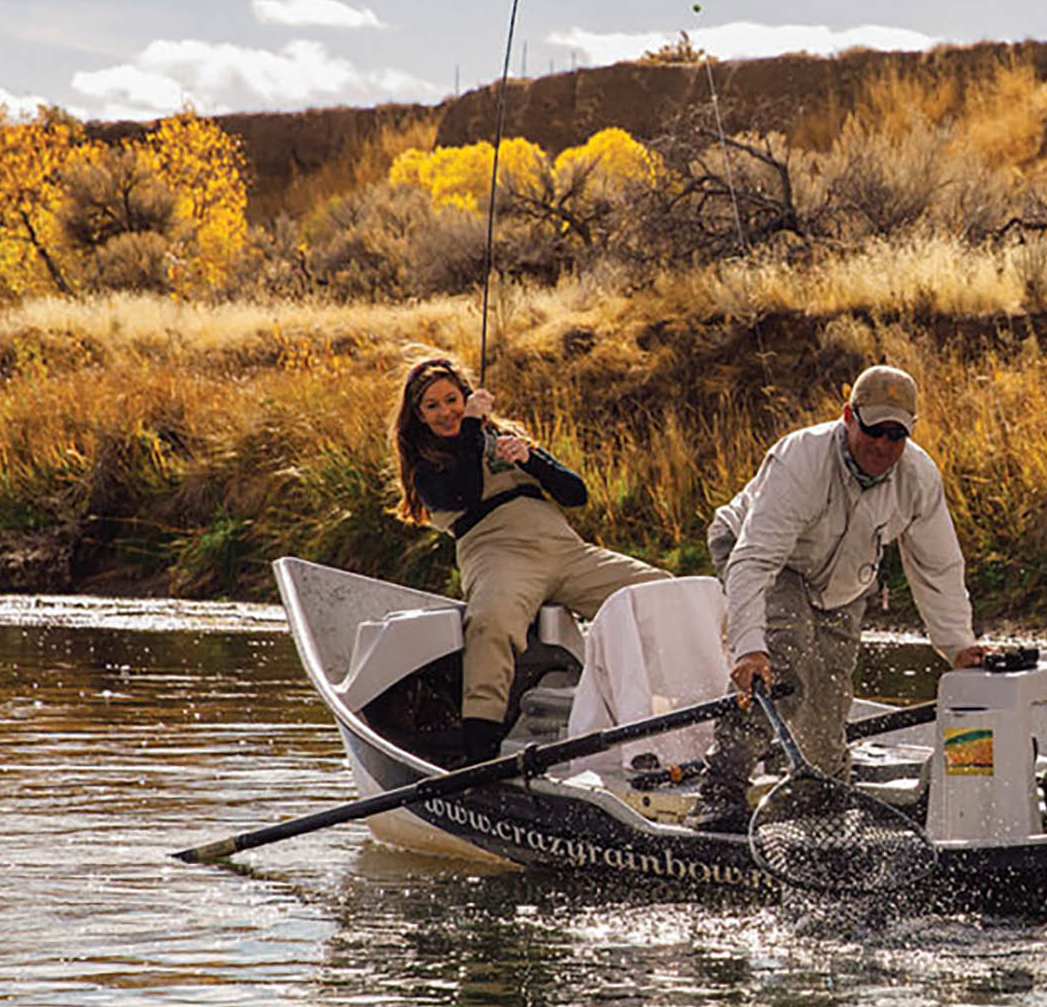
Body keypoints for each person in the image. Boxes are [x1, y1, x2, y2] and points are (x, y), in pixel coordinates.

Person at [689, 364, 989, 832]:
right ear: (849, 416)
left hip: (844, 581)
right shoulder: (801, 459)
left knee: (827, 697)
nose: (884, 446)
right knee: (783, 659)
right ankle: (719, 792)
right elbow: (755, 560)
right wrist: (749, 647)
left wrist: (958, 646)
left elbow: (939, 569)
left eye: (897, 435)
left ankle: (818, 803)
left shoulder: (918, 477)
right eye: (874, 430)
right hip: (765, 556)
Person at [392, 355, 670, 765]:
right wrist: (470, 426)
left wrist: (531, 459)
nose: (445, 412)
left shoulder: (505, 436)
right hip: (498, 554)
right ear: (418, 417)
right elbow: (462, 493)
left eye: (451, 399)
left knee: (662, 590)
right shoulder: (427, 467)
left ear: (465, 396)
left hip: (566, 550)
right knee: (492, 622)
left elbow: (576, 494)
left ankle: (687, 707)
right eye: (432, 406)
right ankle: (479, 752)